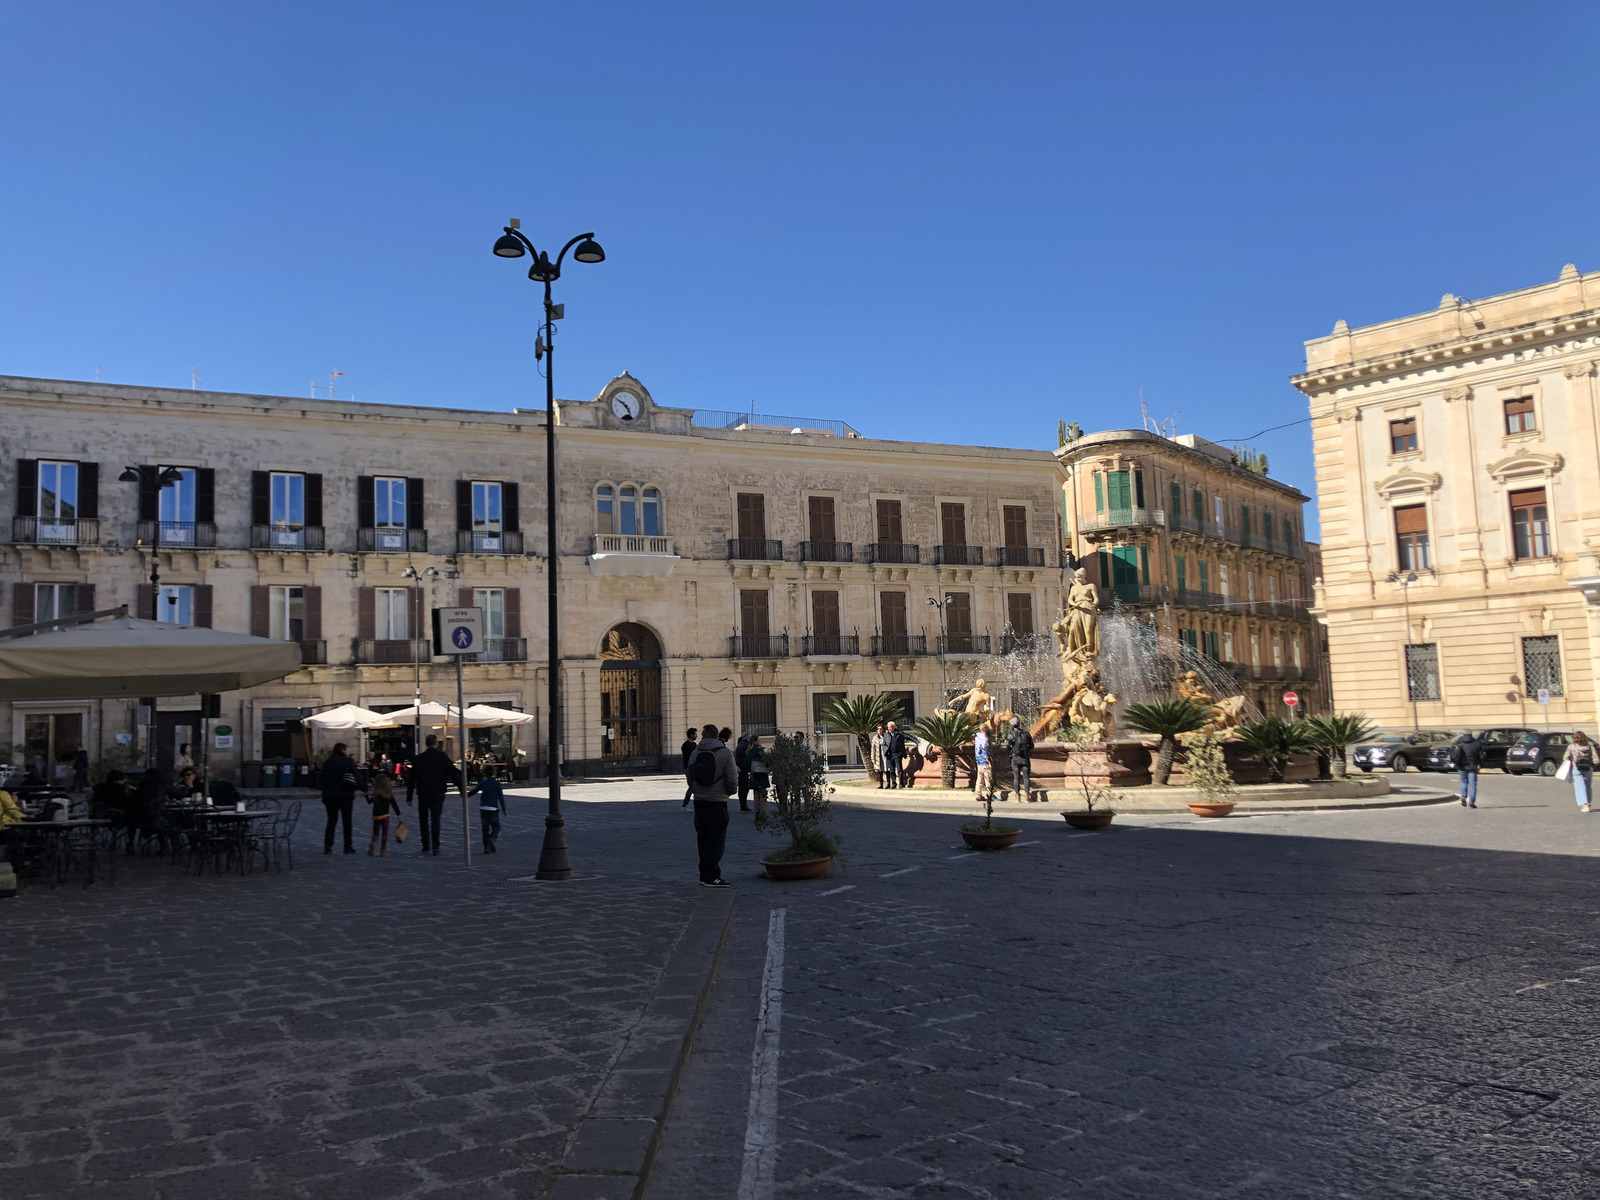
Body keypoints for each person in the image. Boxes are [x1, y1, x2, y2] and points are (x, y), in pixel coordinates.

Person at [686, 723, 737, 887]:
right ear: (716, 736)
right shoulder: (725, 753)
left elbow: (689, 776)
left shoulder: (695, 753)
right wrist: (729, 792)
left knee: (703, 839)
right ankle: (712, 876)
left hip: (700, 802)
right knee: (716, 840)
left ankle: (704, 874)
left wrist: (696, 791)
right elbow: (732, 778)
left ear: (703, 736)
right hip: (717, 802)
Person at [410, 734, 462, 855]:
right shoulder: (442, 757)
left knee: (423, 819)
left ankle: (425, 844)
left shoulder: (418, 758)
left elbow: (412, 779)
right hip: (438, 792)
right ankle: (436, 846)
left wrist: (409, 796)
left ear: (425, 743)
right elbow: (453, 773)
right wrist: (461, 788)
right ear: (436, 743)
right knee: (435, 819)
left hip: (423, 792)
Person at [319, 742, 362, 855]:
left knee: (331, 821)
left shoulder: (328, 762)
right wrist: (363, 787)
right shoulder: (348, 761)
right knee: (347, 822)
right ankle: (347, 846)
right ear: (343, 750)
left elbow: (321, 779)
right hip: (345, 795)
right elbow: (357, 775)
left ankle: (328, 846)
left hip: (330, 795)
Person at [470, 773, 508, 853]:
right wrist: (504, 809)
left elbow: (475, 790)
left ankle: (486, 848)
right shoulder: (497, 783)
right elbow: (501, 796)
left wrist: (466, 795)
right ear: (494, 773)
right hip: (493, 808)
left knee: (485, 829)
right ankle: (492, 837)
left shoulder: (483, 782)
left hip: (483, 808)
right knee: (496, 826)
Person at [366, 771, 401, 857]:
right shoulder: (388, 793)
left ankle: (374, 843)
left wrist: (366, 794)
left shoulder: (376, 794)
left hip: (376, 815)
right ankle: (383, 851)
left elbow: (369, 802)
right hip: (385, 815)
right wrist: (398, 814)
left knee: (376, 832)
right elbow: (394, 804)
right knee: (384, 834)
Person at [1563, 731, 1595, 812]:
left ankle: (1584, 804)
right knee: (1588, 786)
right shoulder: (1590, 746)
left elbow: (1565, 757)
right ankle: (1588, 802)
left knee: (1579, 787)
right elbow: (1596, 759)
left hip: (1576, 768)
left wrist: (1571, 759)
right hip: (1588, 768)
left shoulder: (1571, 747)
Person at [1449, 731, 1482, 808]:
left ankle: (1463, 795)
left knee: (1464, 781)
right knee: (1473, 784)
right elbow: (1481, 756)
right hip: (1473, 766)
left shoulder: (1458, 742)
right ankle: (1472, 802)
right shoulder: (1477, 743)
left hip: (1461, 765)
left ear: (1463, 734)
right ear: (1471, 735)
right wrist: (1479, 762)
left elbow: (1453, 753)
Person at [1007, 717, 1034, 801]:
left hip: (1015, 758)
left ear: (1012, 725)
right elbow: (1032, 746)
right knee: (1026, 777)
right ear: (1019, 724)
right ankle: (1027, 796)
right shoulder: (1026, 734)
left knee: (1016, 777)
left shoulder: (1010, 735)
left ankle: (1017, 797)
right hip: (1025, 758)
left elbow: (1008, 747)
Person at [747, 736, 771, 818]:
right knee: (763, 794)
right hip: (762, 774)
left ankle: (757, 812)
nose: (761, 741)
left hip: (754, 774)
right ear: (755, 742)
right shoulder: (760, 751)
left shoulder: (749, 751)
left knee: (756, 794)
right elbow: (766, 761)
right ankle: (763, 812)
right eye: (759, 740)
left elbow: (747, 763)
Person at [883, 722, 906, 790]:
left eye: (891, 727)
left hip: (897, 754)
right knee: (891, 770)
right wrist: (885, 751)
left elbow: (908, 736)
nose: (889, 728)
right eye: (888, 727)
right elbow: (884, 744)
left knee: (899, 769)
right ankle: (893, 783)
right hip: (889, 755)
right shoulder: (886, 735)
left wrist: (917, 742)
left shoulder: (899, 733)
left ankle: (901, 783)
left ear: (894, 727)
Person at [974, 726, 993, 802]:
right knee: (988, 778)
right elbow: (985, 751)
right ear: (985, 729)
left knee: (979, 779)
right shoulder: (984, 739)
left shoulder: (977, 738)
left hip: (978, 761)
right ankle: (989, 794)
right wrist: (989, 762)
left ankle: (978, 794)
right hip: (984, 761)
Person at [681, 728, 699, 807]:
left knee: (693, 786)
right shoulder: (686, 745)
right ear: (691, 735)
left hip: (694, 767)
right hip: (689, 768)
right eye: (695, 734)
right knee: (692, 786)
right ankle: (686, 803)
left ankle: (689, 802)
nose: (696, 736)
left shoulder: (694, 745)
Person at [734, 733, 752, 813]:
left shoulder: (740, 744)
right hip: (743, 768)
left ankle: (742, 804)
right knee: (744, 787)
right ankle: (743, 805)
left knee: (741, 787)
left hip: (740, 767)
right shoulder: (746, 746)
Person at [870, 724, 886, 788]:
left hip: (884, 756)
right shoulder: (874, 738)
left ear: (883, 730)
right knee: (879, 771)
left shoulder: (886, 737)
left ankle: (888, 784)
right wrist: (873, 758)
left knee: (886, 770)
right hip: (877, 756)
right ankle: (881, 784)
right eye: (878, 729)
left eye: (880, 729)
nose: (879, 730)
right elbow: (873, 749)